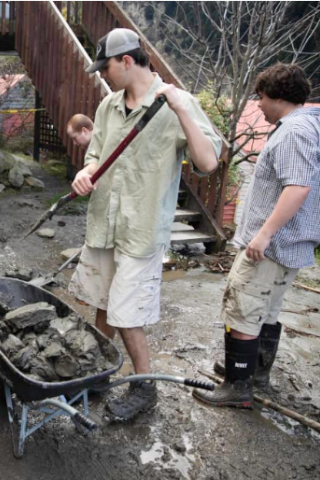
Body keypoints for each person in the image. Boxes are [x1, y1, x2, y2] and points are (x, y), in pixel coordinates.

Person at [68, 28, 221, 421]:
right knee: (102, 302)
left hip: (141, 230)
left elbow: (208, 162)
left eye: (107, 67)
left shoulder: (177, 102)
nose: (104, 75)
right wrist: (85, 173)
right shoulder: (107, 106)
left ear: (127, 61)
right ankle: (100, 374)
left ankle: (144, 387)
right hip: (105, 222)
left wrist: (183, 111)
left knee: (127, 313)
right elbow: (96, 155)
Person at [193, 64, 320, 408]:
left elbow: (297, 188)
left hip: (273, 244)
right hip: (294, 242)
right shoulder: (314, 126)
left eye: (261, 97)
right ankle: (254, 371)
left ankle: (238, 385)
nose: (259, 104)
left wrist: (264, 234)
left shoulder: (293, 131)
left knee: (243, 307)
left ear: (278, 96)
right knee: (267, 309)